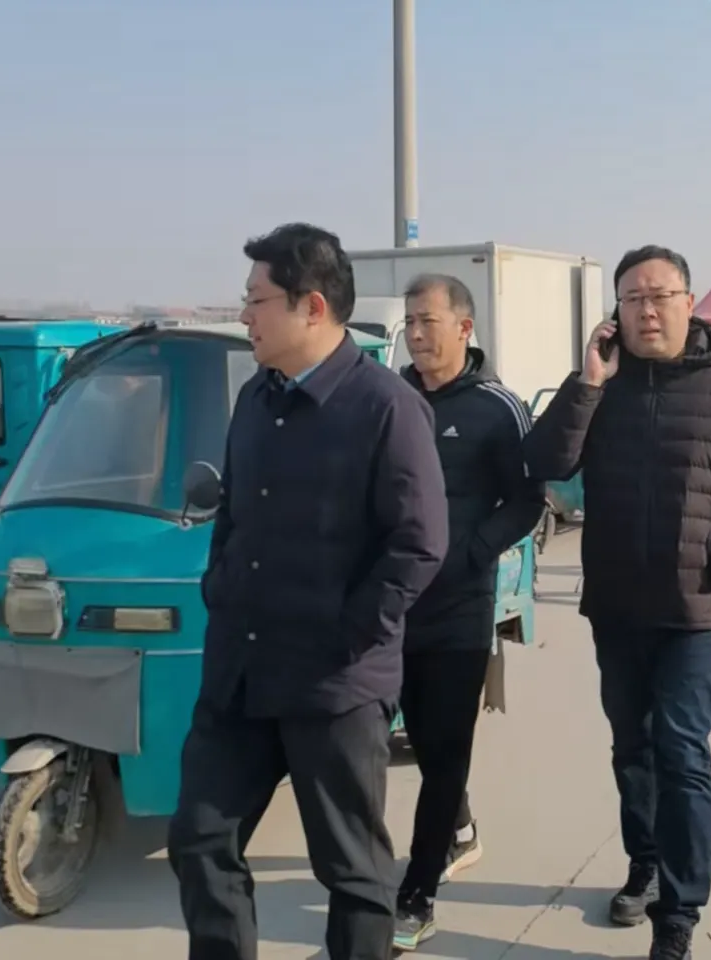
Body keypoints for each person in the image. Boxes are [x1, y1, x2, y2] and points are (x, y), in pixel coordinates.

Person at [167, 223, 450, 960]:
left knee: (352, 873)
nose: (244, 315)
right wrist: (221, 584)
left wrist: (350, 634)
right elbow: (233, 512)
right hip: (240, 671)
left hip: (333, 682)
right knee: (199, 840)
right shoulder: (255, 399)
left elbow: (419, 543)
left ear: (312, 307)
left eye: (256, 300)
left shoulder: (386, 408)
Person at [523, 245, 711, 960]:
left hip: (692, 614)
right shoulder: (600, 388)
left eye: (660, 295)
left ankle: (679, 912)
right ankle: (644, 862)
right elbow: (545, 462)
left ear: (688, 305)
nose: (647, 310)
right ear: (616, 311)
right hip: (616, 608)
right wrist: (588, 381)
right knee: (631, 748)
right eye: (632, 297)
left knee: (682, 751)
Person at [392, 274, 546, 951]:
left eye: (427, 321)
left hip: (458, 608)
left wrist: (471, 554)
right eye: (409, 321)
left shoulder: (496, 408)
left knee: (447, 747)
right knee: (420, 744)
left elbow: (528, 499)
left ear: (464, 327)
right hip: (391, 607)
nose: (415, 334)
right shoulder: (391, 398)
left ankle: (418, 892)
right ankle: (459, 828)